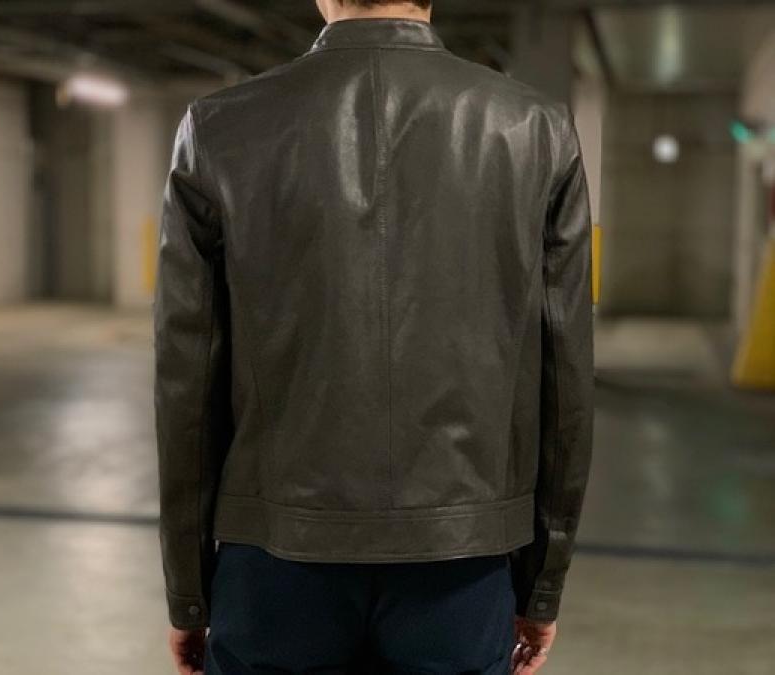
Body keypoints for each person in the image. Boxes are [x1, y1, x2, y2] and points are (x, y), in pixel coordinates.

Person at [153, 0, 594, 673]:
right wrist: (542, 583)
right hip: (460, 560)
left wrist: (188, 591)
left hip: (274, 559)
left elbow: (185, 380)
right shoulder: (537, 127)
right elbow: (566, 379)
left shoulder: (218, 127)